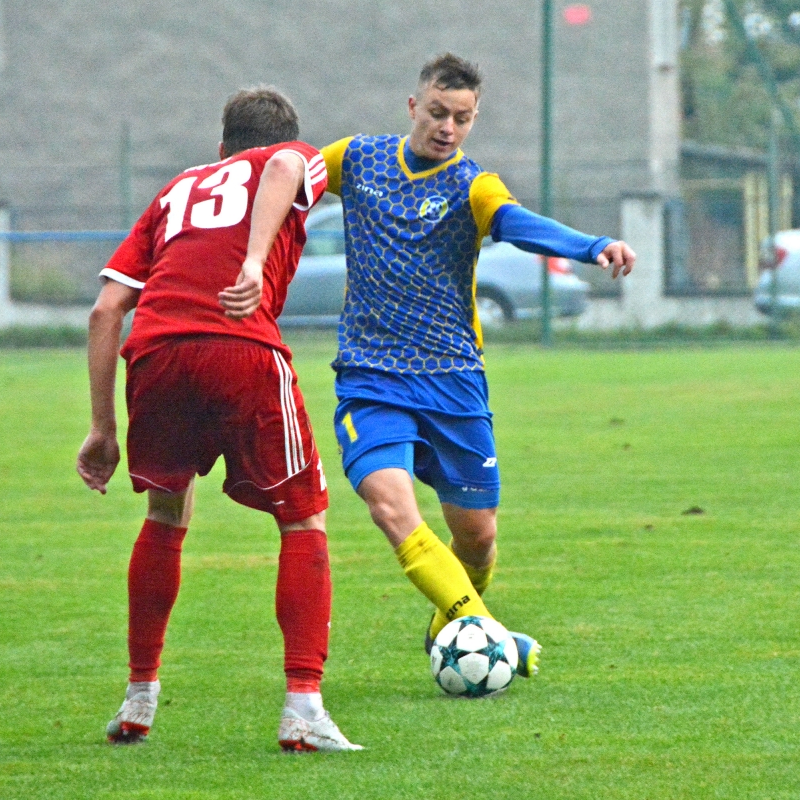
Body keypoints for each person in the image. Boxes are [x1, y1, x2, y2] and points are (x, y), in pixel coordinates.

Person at [319, 54, 636, 673]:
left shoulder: (473, 185)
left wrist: (591, 246)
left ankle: (453, 620)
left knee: (478, 539)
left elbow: (516, 223)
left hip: (453, 381)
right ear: (414, 107)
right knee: (392, 506)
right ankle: (493, 639)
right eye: (437, 113)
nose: (447, 128)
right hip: (371, 377)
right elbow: (286, 175)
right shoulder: (357, 159)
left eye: (462, 119)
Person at [77, 87, 361, 753]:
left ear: (219, 146)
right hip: (241, 349)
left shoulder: (177, 189)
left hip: (156, 356)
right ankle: (304, 709)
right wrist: (256, 263)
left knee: (165, 517)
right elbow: (288, 168)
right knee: (303, 518)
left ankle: (139, 698)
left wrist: (102, 430)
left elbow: (105, 311)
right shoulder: (290, 156)